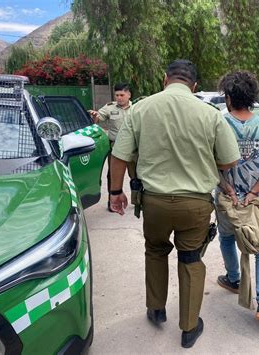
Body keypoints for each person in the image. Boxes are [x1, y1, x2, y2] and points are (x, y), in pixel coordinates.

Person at [108, 60, 240, 348]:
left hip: (153, 202)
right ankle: (189, 328)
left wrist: (115, 191)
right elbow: (229, 160)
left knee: (155, 251)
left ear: (165, 79)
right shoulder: (211, 114)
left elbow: (120, 155)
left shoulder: (140, 109)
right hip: (194, 205)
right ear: (194, 86)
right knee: (191, 259)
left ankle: (156, 310)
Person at [215, 71, 259, 325]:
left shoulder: (220, 124)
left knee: (227, 238)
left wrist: (229, 190)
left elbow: (212, 164)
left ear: (229, 97)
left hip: (227, 199)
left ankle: (234, 279)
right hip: (255, 200)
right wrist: (253, 192)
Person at [88, 83, 136, 212]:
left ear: (129, 95)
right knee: (113, 175)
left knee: (135, 174)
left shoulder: (136, 108)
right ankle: (112, 202)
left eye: (122, 95)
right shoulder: (110, 108)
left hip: (133, 148)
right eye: (117, 95)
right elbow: (98, 117)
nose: (119, 98)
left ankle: (137, 200)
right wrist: (94, 116)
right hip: (115, 147)